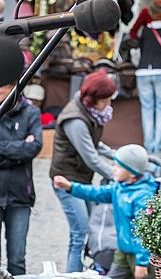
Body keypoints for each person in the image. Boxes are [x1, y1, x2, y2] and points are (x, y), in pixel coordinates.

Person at [49, 69, 118, 272]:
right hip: (66, 180)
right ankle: (73, 275)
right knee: (80, 232)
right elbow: (91, 156)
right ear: (93, 98)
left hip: (81, 178)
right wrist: (117, 175)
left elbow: (95, 143)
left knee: (91, 229)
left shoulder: (89, 111)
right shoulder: (75, 119)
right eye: (106, 100)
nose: (109, 105)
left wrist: (118, 156)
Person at [54, 144, 157, 279]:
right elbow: (96, 193)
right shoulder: (119, 188)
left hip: (140, 255)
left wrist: (142, 262)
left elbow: (143, 231)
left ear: (132, 172)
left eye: (118, 166)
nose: (113, 169)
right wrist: (71, 187)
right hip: (123, 250)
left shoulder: (143, 196)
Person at [0, 74, 43, 276]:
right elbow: (26, 149)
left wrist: (4, 150)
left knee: (17, 259)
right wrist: (20, 150)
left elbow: (34, 147)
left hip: (20, 196)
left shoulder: (31, 113)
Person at [133, 4, 161, 153]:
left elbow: (140, 49)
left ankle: (148, 144)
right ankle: (158, 146)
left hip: (143, 70)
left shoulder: (145, 31)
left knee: (146, 108)